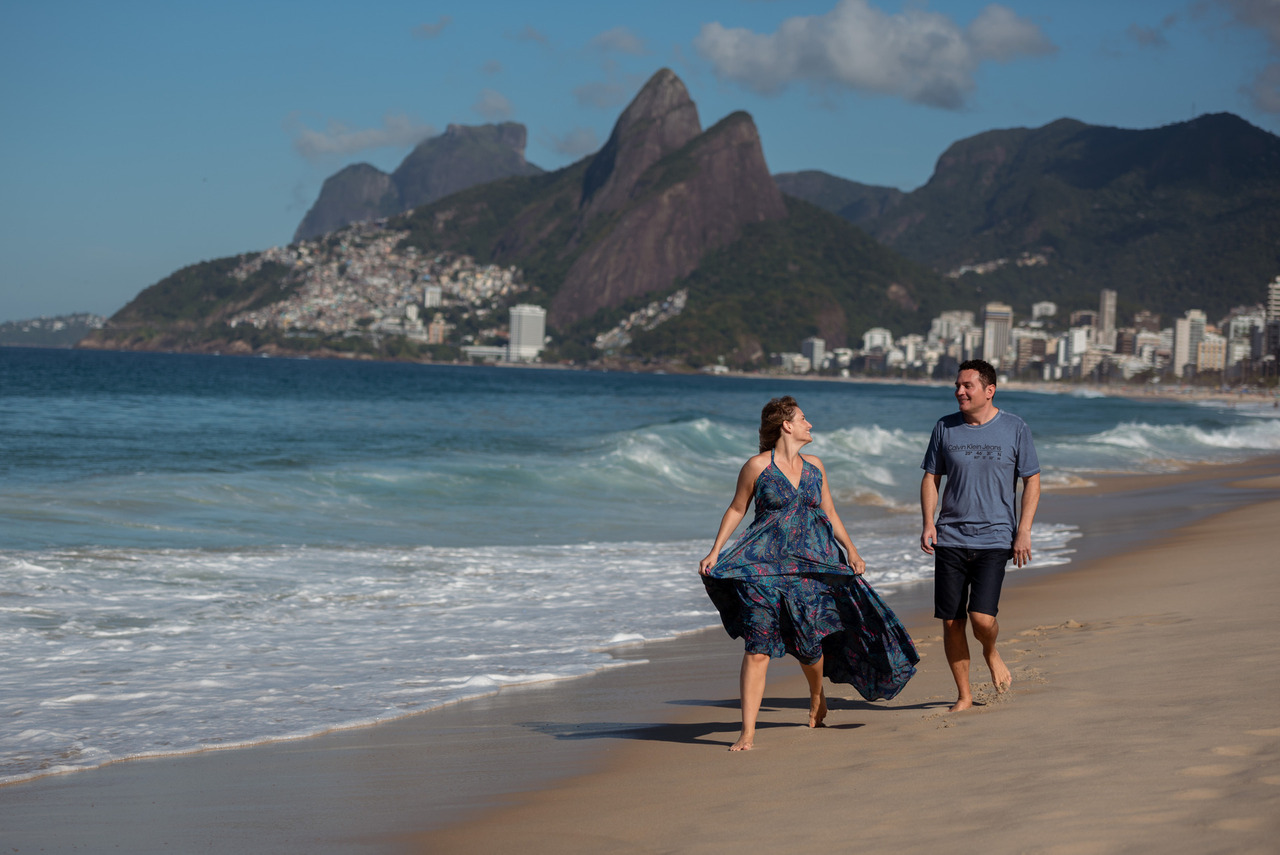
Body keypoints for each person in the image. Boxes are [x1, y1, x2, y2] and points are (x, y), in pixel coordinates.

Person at [700, 396, 918, 751]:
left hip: (808, 567)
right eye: (803, 418)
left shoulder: (815, 467)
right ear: (786, 424)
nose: (809, 424)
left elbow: (829, 511)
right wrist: (715, 550)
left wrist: (852, 549)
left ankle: (817, 695)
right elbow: (737, 508)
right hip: (761, 569)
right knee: (758, 649)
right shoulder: (757, 467)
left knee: (809, 646)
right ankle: (748, 732)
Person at [919, 359, 1041, 713]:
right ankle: (964, 695)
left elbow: (1031, 479)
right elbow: (931, 477)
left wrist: (1024, 531)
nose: (959, 391)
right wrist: (929, 522)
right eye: (957, 385)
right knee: (953, 620)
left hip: (995, 537)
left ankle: (990, 650)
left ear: (989, 390)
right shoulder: (945, 427)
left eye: (967, 386)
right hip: (950, 537)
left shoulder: (1016, 428)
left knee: (981, 619)